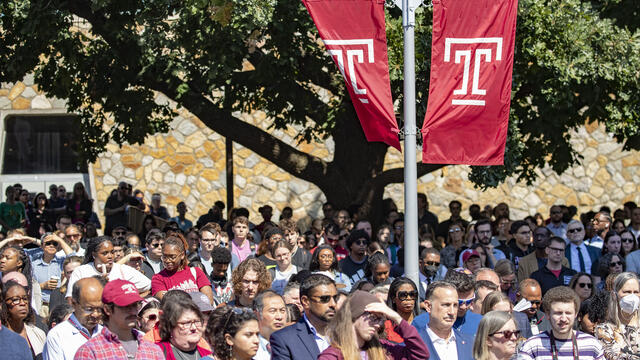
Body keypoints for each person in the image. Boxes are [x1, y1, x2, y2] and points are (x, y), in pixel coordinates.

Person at [318, 290, 429, 360]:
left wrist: (396, 318)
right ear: (355, 315)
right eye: (374, 318)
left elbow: (420, 355)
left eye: (380, 320)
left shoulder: (382, 348)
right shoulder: (332, 355)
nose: (378, 325)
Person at [74, 279, 164, 359]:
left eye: (135, 305)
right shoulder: (90, 352)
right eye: (125, 306)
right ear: (108, 309)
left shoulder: (153, 350)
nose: (133, 311)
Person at [516, 286, 604, 360]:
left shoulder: (592, 345)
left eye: (568, 313)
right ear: (547, 314)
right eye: (558, 313)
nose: (563, 319)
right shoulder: (533, 346)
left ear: (576, 314)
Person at [270, 274, 337, 359]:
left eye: (335, 298)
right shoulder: (284, 339)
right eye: (324, 299)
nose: (333, 304)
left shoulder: (347, 334)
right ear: (305, 301)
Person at [65, 236, 151, 299]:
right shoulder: (81, 272)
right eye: (105, 253)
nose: (110, 256)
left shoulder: (123, 270)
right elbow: (70, 298)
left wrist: (131, 298)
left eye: (112, 252)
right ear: (94, 255)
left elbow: (151, 287)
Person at [43, 277, 105, 360]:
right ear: (73, 303)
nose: (95, 314)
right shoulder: (57, 336)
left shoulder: (105, 334)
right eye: (89, 309)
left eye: (100, 309)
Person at [416, 281, 474, 360]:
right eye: (446, 305)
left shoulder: (471, 343)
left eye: (455, 305)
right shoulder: (413, 344)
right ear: (428, 306)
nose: (452, 312)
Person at [151, 234, 214, 303]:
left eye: (172, 257)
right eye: (164, 257)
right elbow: (167, 303)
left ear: (182, 255)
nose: (167, 260)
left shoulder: (196, 272)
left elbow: (208, 301)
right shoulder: (158, 278)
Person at [594, 272, 640, 360]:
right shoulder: (604, 330)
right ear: (614, 295)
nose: (632, 296)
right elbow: (610, 356)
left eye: (636, 292)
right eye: (627, 292)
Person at [154, 294, 213, 359]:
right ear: (170, 326)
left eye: (197, 321)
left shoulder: (208, 355)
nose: (193, 328)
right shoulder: (157, 352)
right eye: (186, 323)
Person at [1, 280, 46, 358]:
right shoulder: (2, 335)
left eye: (25, 298)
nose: (22, 303)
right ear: (4, 303)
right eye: (15, 300)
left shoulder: (38, 334)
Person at [32, 233, 74, 316]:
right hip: (41, 305)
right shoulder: (33, 265)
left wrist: (60, 240)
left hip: (59, 305)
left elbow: (75, 258)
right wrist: (42, 286)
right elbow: (28, 286)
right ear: (42, 246)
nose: (51, 246)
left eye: (55, 243)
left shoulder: (62, 262)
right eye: (48, 243)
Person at [252, 290, 287, 359]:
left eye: (282, 310)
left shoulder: (295, 343)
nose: (279, 317)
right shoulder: (249, 346)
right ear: (257, 314)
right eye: (272, 311)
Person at [386, 277, 420, 343]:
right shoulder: (386, 327)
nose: (408, 298)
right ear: (393, 298)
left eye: (412, 294)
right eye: (403, 295)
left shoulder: (425, 323)